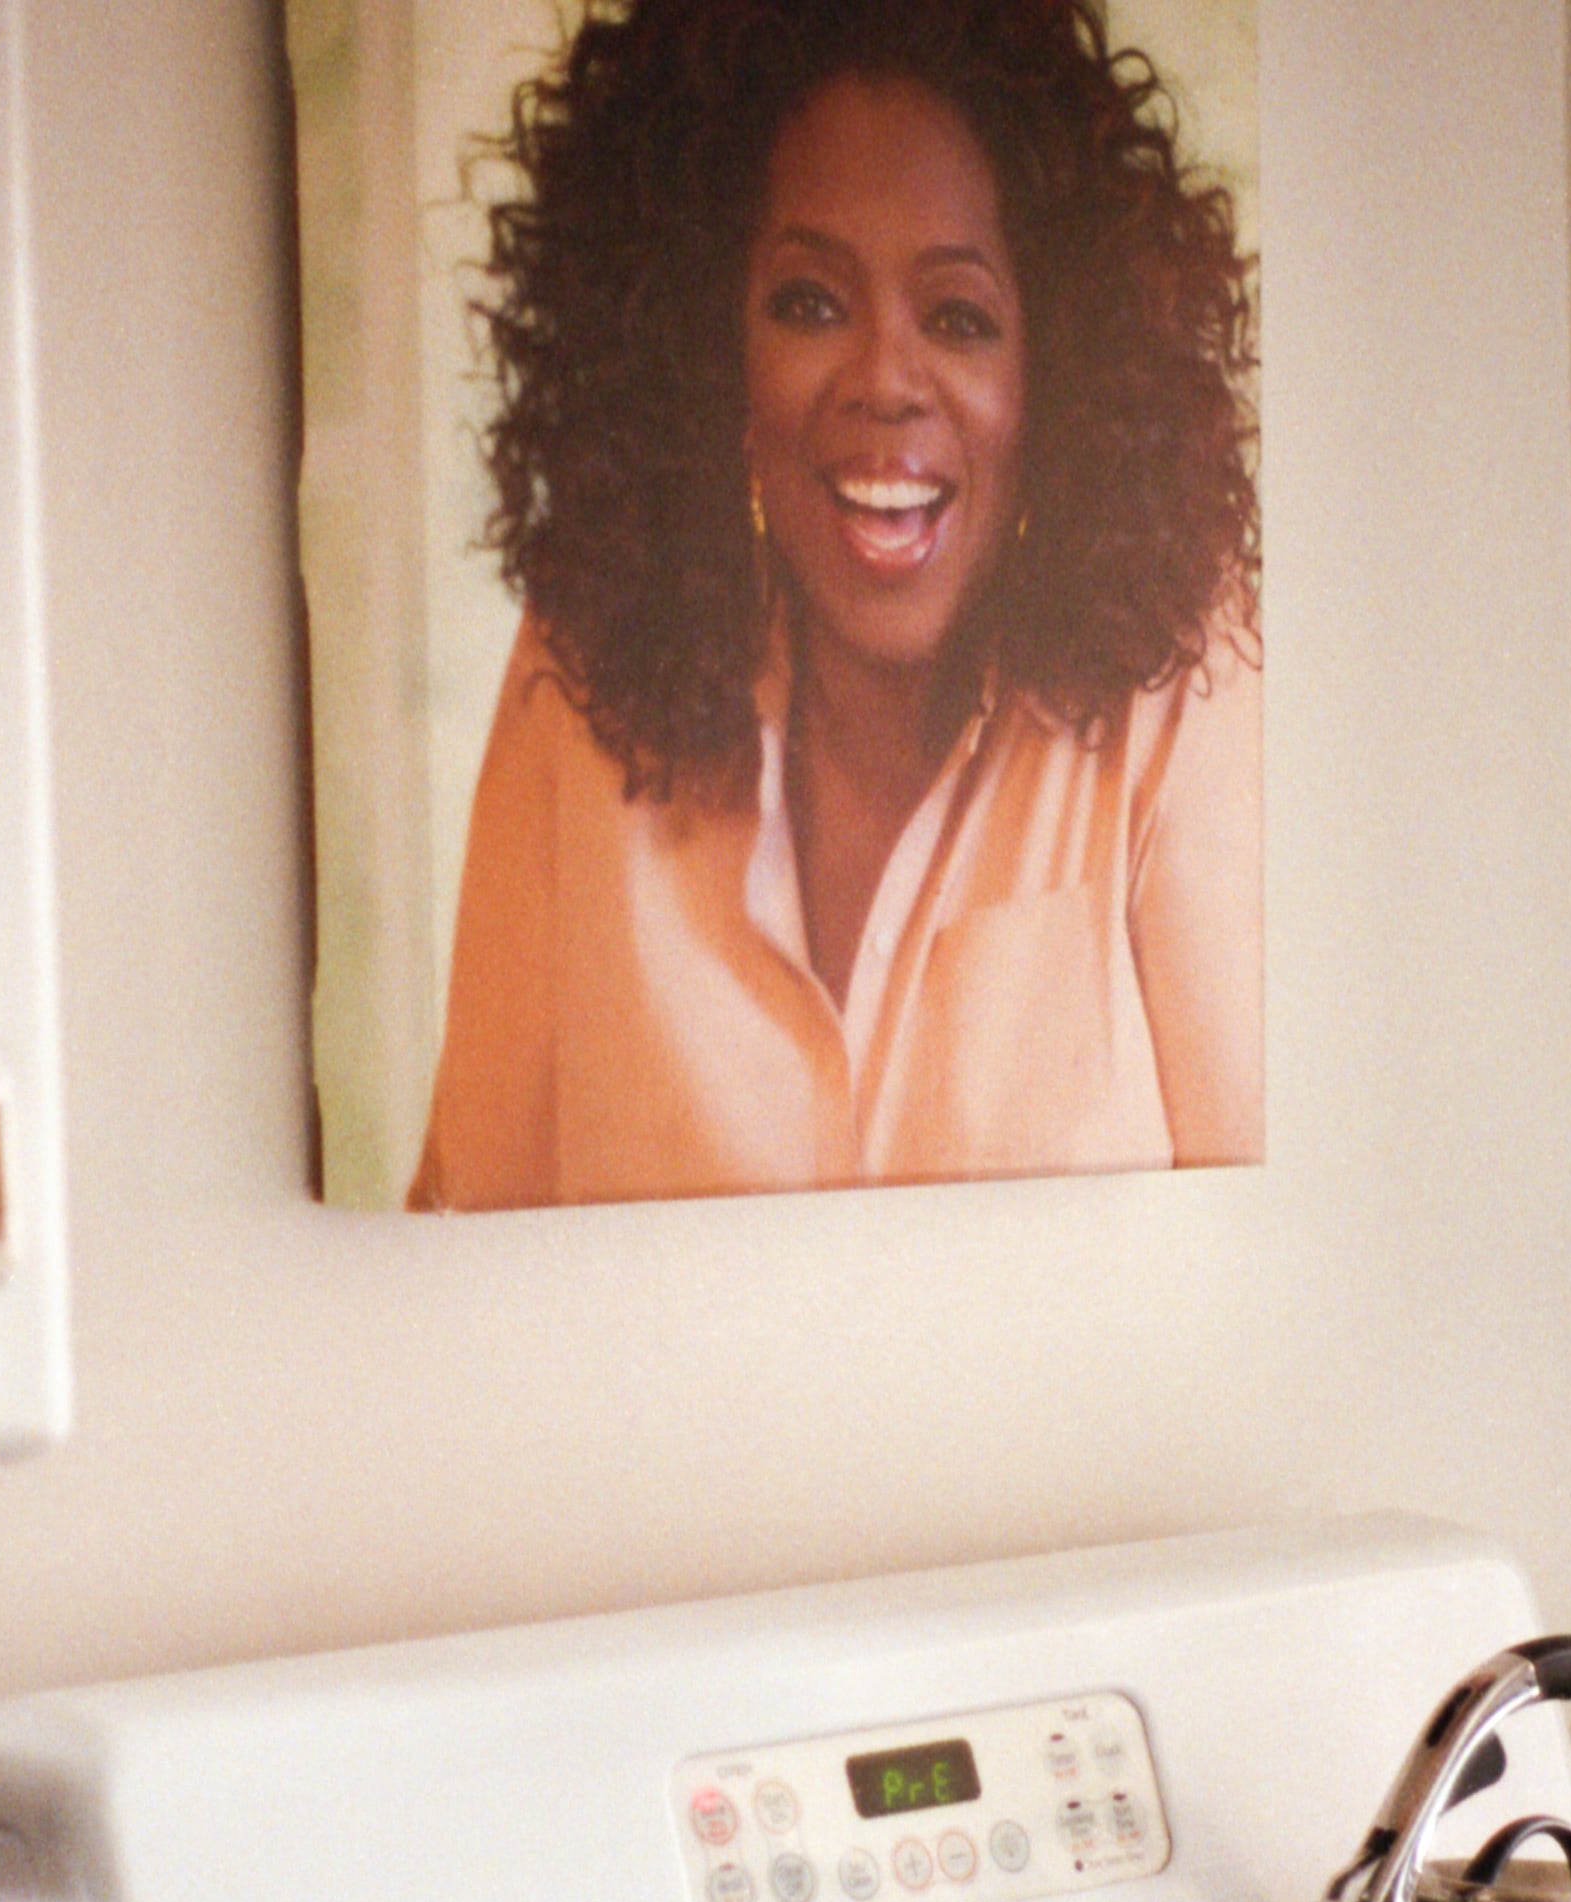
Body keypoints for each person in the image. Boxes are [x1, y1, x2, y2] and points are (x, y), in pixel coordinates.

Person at [409, 0, 1261, 1211]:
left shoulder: (1182, 677)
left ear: (1056, 376)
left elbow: (1272, 1282)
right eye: (809, 303)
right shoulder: (585, 661)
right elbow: (462, 1235)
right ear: (708, 349)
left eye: (958, 318)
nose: (884, 384)